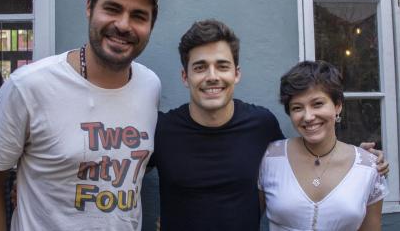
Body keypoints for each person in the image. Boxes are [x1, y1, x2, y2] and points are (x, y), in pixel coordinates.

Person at [150, 20, 388, 231]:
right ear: (185, 76)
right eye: (200, 67)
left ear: (237, 74)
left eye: (222, 66)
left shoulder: (261, 125)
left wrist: (361, 161)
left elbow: (307, 152)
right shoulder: (161, 130)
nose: (212, 76)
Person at [0, 0, 160, 231]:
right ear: (89, 8)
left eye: (139, 16)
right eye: (112, 9)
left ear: (151, 25)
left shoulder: (150, 86)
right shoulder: (28, 86)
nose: (123, 25)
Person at [258, 60, 388, 230]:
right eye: (297, 108)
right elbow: (248, 217)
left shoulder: (369, 166)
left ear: (338, 106)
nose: (308, 116)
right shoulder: (270, 159)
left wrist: (365, 159)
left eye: (317, 104)